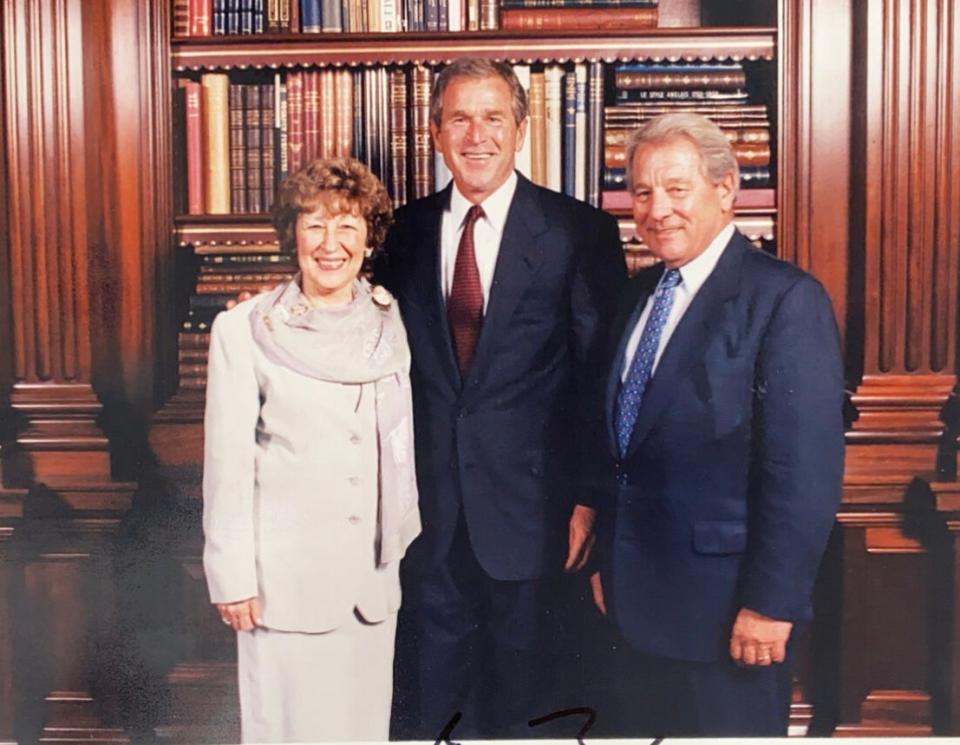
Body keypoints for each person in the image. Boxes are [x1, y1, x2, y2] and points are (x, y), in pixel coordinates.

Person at [379, 58, 626, 738]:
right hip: (425, 517)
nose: (476, 134)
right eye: (459, 117)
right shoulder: (402, 233)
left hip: (536, 516)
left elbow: (595, 379)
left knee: (528, 705)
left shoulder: (578, 233)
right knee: (435, 705)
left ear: (522, 129)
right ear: (435, 132)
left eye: (493, 117)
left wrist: (587, 500)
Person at [590, 112, 844, 737]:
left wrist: (771, 605)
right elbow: (622, 446)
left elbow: (803, 474)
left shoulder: (784, 299)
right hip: (631, 604)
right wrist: (605, 557)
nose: (658, 210)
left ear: (726, 189)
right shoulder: (636, 295)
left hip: (728, 614)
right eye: (642, 192)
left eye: (678, 189)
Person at [202, 158, 421, 743]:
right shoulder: (244, 328)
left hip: (371, 586)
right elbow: (228, 464)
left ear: (368, 238)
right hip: (284, 587)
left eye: (348, 226)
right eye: (315, 226)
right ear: (291, 235)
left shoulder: (392, 320)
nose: (332, 245)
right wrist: (232, 577)